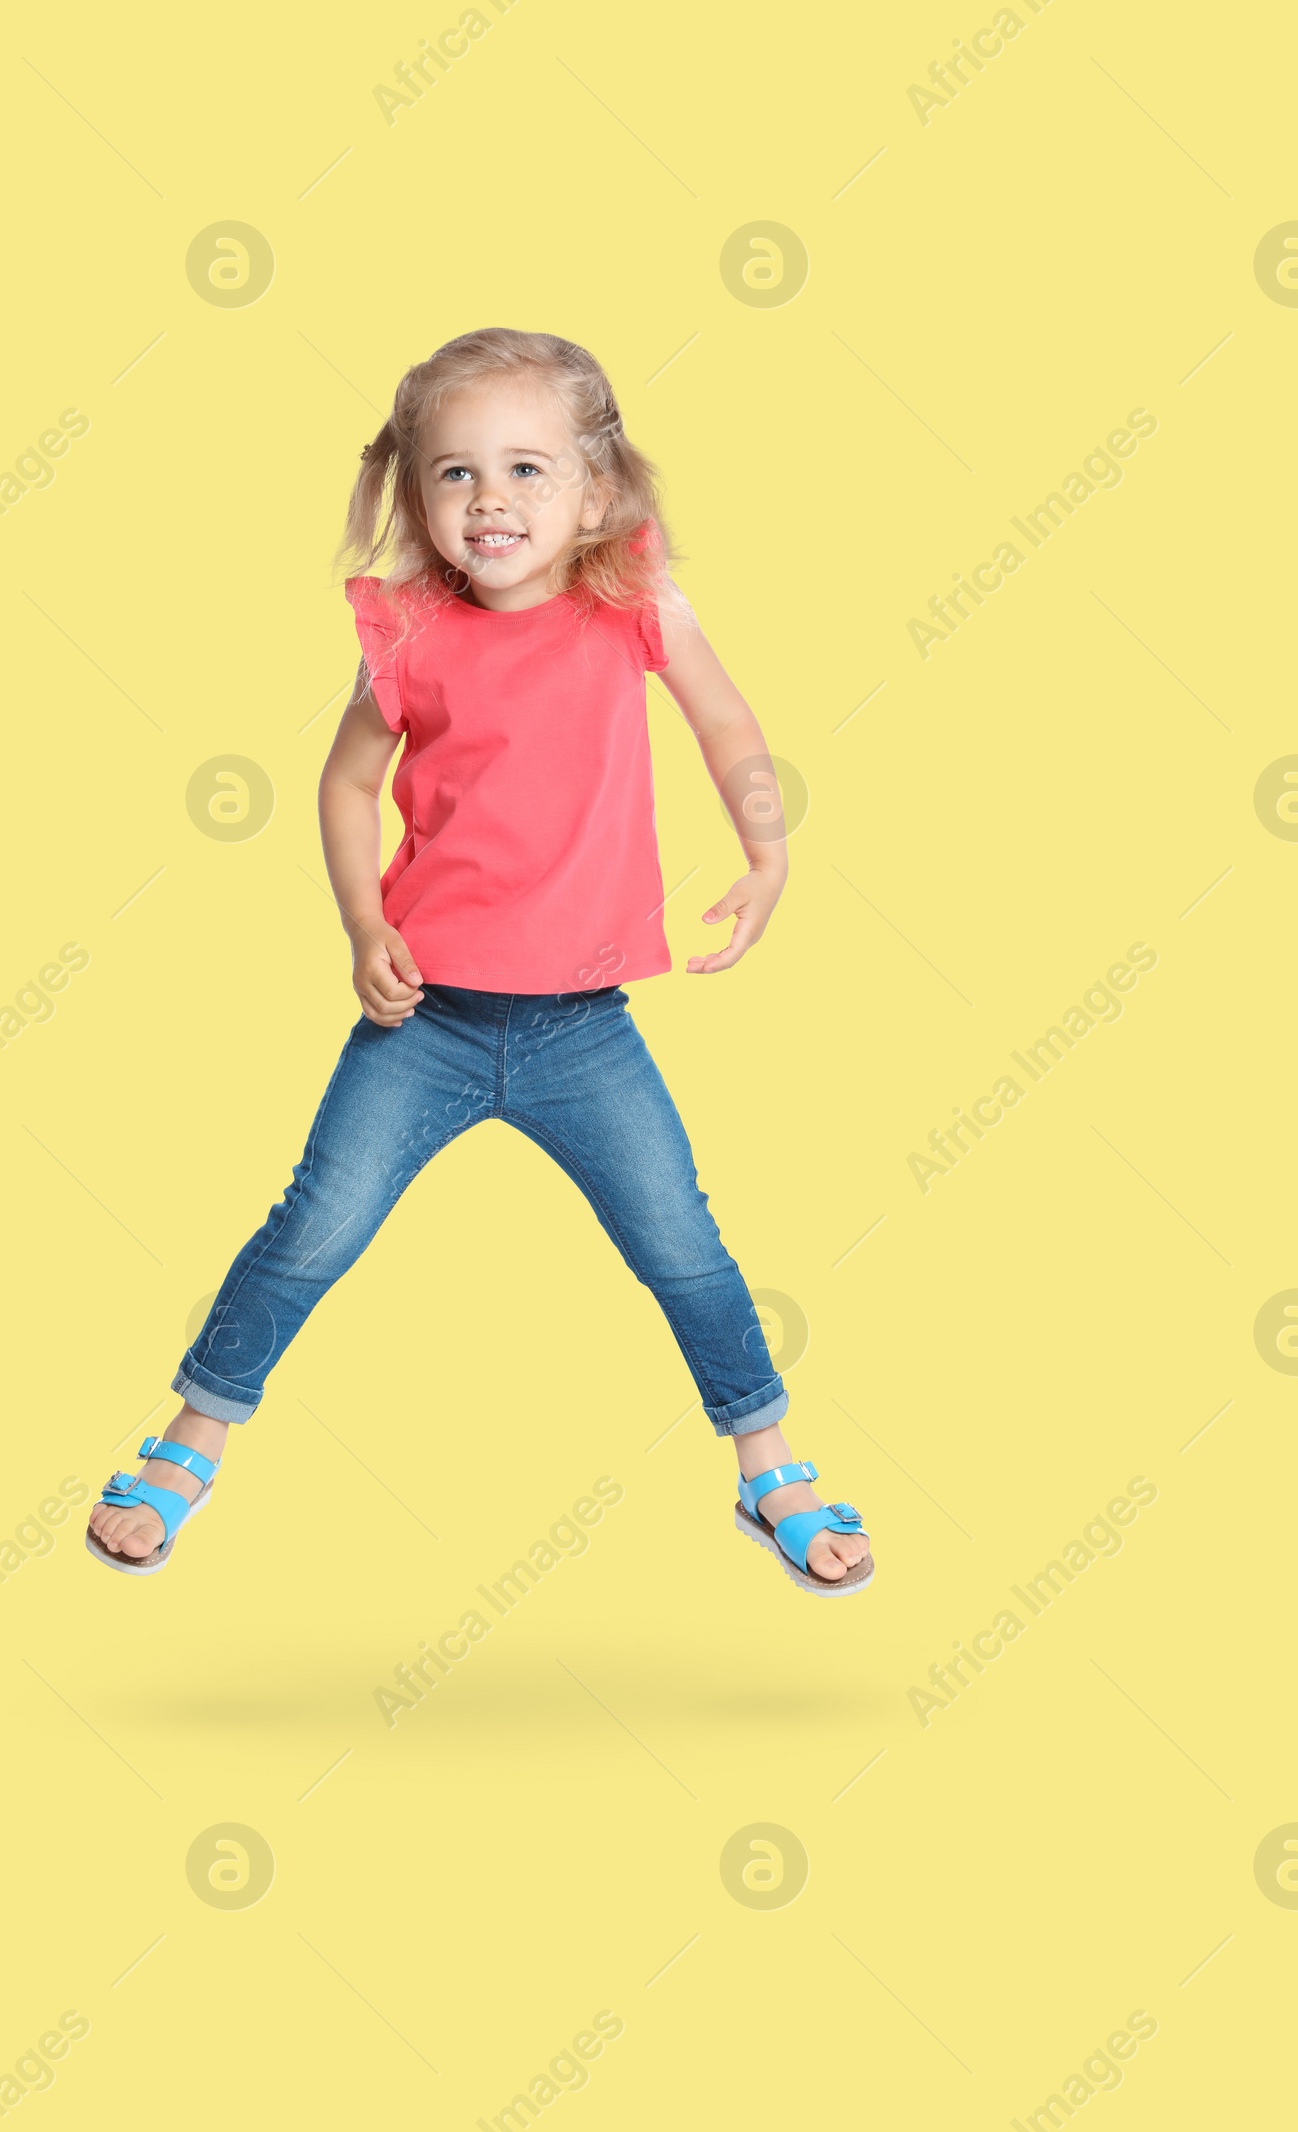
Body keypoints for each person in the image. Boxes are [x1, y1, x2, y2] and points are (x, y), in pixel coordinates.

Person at [87, 327, 873, 1596]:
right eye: (454, 473)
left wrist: (767, 853)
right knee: (310, 1230)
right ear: (413, 495)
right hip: (426, 1021)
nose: (490, 500)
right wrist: (361, 924)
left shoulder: (633, 604)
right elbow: (346, 783)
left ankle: (767, 1463)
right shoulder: (405, 631)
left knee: (682, 1244)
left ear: (596, 489)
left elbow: (730, 728)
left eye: (524, 468)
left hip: (584, 1029)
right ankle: (190, 1440)